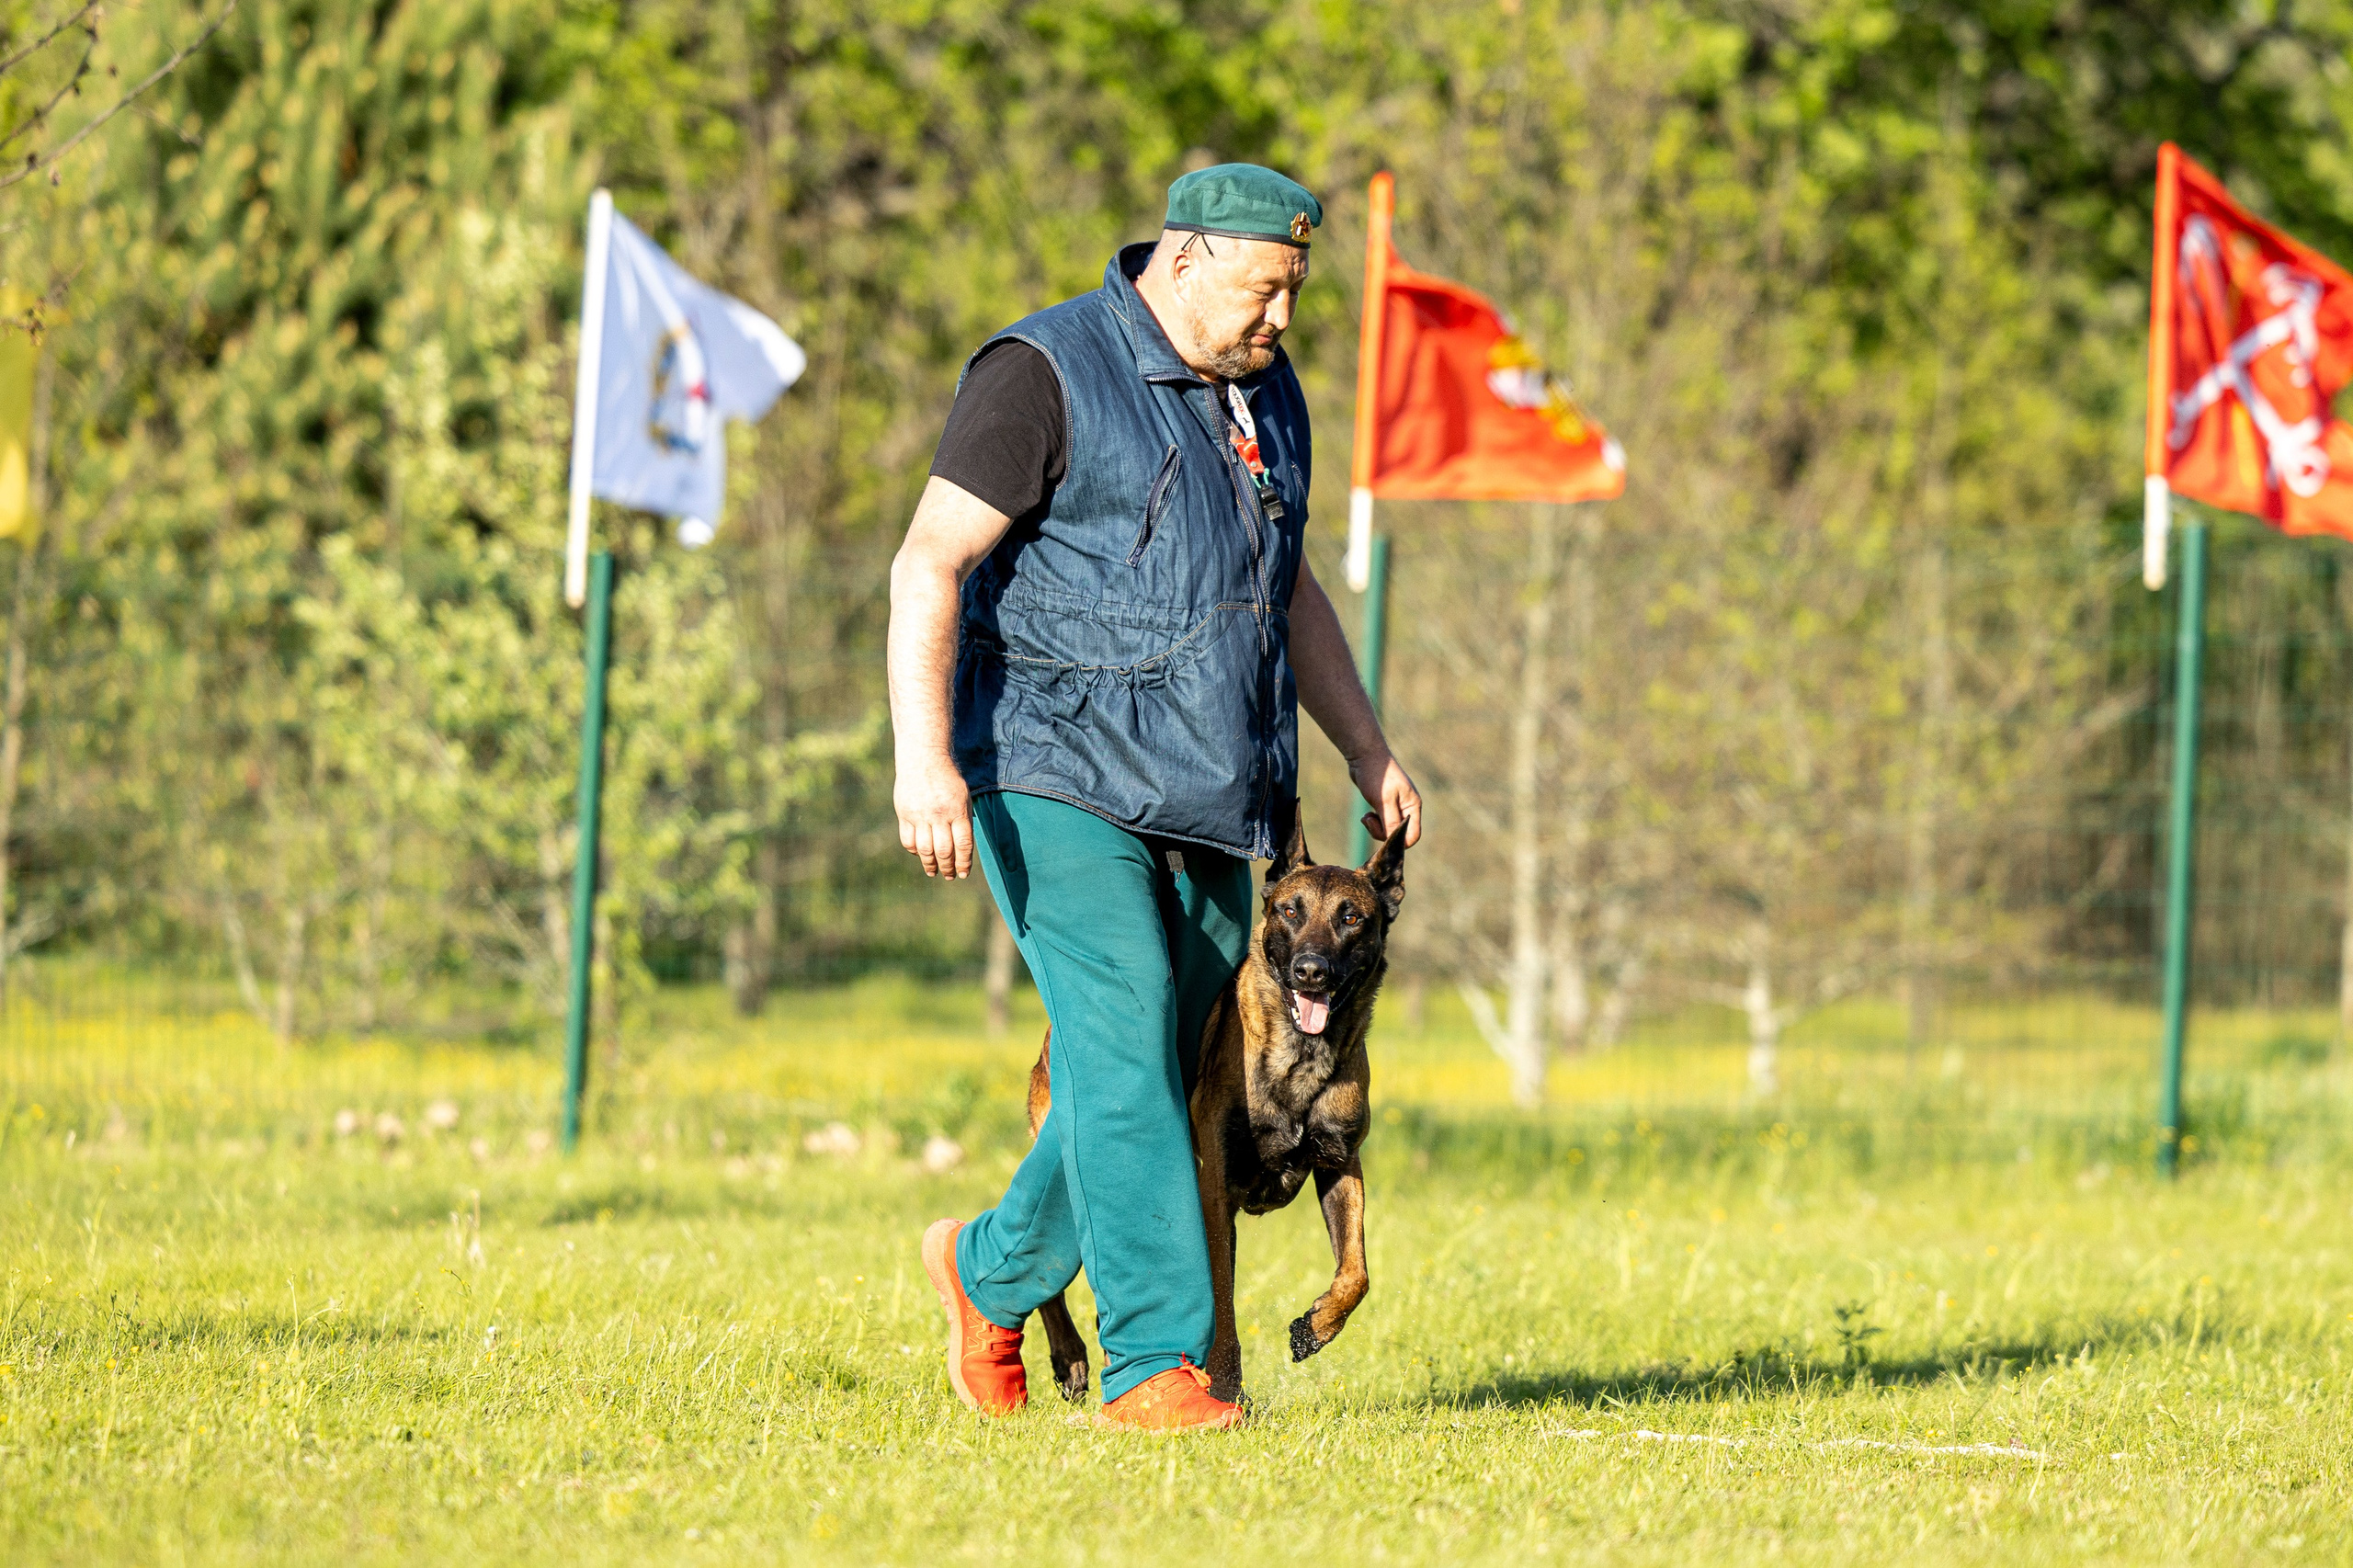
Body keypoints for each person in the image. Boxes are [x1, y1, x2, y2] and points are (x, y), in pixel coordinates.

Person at [887, 163, 1423, 1432]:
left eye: (1296, 291)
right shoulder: (1043, 371)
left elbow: (1289, 589)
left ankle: (987, 1273)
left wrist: (1365, 746)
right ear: (1185, 260)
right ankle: (1156, 1362)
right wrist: (924, 759)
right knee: (1125, 1033)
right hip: (1053, 768)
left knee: (1152, 1068)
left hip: (1215, 792)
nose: (1282, 318)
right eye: (1264, 289)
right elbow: (929, 562)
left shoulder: (1268, 393)